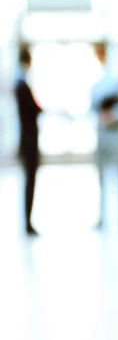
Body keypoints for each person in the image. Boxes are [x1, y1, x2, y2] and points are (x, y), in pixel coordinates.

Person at [90, 41, 118, 231]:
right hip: (102, 135)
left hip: (116, 135)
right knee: (102, 179)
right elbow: (92, 108)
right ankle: (102, 217)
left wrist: (113, 115)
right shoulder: (96, 83)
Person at [14, 44, 42, 236]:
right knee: (29, 182)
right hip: (29, 141)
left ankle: (28, 222)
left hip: (27, 139)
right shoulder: (22, 85)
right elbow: (33, 110)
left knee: (29, 181)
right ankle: (27, 223)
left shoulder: (21, 84)